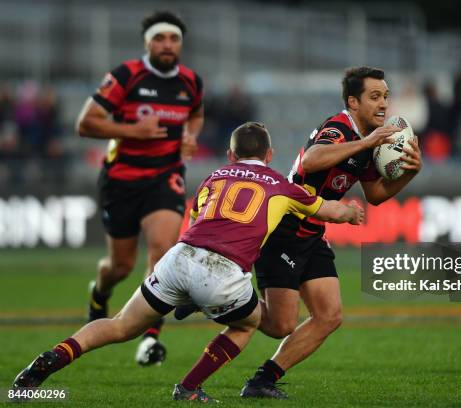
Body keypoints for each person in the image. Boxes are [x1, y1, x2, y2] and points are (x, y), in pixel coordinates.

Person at [12, 122, 364, 402]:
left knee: (120, 325)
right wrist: (349, 212)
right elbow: (328, 210)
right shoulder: (282, 186)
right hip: (224, 271)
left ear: (230, 154)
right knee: (250, 325)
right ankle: (189, 387)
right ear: (270, 154)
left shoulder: (215, 177)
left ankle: (49, 360)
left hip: (179, 258)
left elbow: (195, 219)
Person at [240, 67, 422, 399]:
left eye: (385, 96)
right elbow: (311, 160)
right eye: (374, 96)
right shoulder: (339, 127)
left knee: (329, 315)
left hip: (312, 230)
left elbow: (376, 195)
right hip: (284, 227)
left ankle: (261, 381)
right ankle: (218, 300)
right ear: (353, 102)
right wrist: (365, 142)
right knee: (281, 324)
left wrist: (410, 172)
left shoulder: (370, 139)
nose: (383, 103)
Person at [75, 11, 204, 366]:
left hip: (164, 177)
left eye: (173, 39)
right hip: (121, 181)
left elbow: (196, 113)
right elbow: (85, 123)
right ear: (147, 42)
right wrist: (134, 131)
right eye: (160, 38)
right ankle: (99, 292)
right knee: (119, 266)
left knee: (163, 251)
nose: (167, 45)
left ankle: (150, 338)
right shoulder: (125, 76)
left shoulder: (191, 81)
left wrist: (190, 136)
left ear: (180, 43)